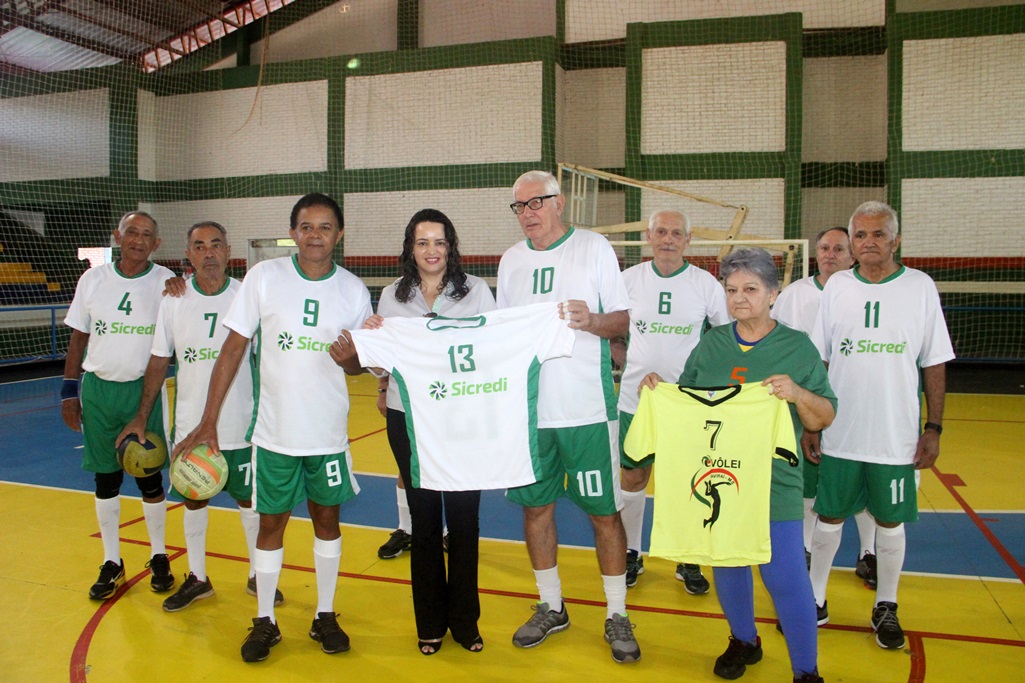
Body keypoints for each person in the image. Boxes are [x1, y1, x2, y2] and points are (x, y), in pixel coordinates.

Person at [173, 193, 372, 663]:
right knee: (270, 524)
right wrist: (208, 420)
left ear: (339, 235)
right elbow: (233, 349)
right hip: (275, 434)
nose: (315, 235)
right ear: (294, 233)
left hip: (326, 434)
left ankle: (325, 614)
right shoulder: (265, 278)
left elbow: (364, 364)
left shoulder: (354, 291)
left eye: (325, 227)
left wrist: (354, 362)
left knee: (328, 522)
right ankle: (265, 620)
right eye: (306, 227)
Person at [640, 247, 835, 683]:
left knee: (785, 577)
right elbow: (689, 402)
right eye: (731, 290)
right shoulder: (713, 344)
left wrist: (798, 394)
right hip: (721, 479)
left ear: (773, 293)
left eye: (750, 289)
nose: (739, 298)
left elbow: (824, 416)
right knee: (727, 564)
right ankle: (744, 639)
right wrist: (660, 391)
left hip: (775, 482)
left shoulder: (796, 347)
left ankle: (807, 671)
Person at [496, 170, 640, 663]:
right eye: (519, 207)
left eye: (535, 203)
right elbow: (502, 337)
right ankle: (551, 604)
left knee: (605, 513)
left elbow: (622, 321)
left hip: (586, 410)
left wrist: (592, 321)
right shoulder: (511, 262)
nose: (527, 213)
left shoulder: (594, 247)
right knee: (536, 509)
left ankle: (617, 612)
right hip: (532, 413)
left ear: (558, 202)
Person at [808, 201, 954, 650]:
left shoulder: (919, 287)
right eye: (861, 235)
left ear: (896, 240)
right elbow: (821, 359)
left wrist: (933, 427)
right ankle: (814, 599)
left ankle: (886, 605)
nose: (869, 242)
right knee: (828, 514)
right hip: (841, 429)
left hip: (895, 434)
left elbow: (934, 360)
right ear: (852, 243)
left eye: (878, 234)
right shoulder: (836, 288)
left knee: (890, 521)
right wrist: (811, 421)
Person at [115, 221, 283, 612]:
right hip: (191, 424)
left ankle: (259, 575)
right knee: (193, 499)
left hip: (242, 425)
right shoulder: (173, 299)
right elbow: (159, 359)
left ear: (228, 252)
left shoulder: (248, 296)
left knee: (249, 501)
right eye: (199, 246)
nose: (208, 253)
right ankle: (198, 577)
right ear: (188, 255)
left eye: (216, 245)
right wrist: (143, 415)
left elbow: (270, 359)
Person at [362, 208, 496, 654]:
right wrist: (372, 338)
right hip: (409, 418)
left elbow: (492, 350)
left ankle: (465, 622)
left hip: (462, 421)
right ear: (410, 249)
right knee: (423, 523)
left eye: (439, 242)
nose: (431, 251)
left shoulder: (476, 291)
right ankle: (430, 623)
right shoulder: (391, 297)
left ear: (451, 247)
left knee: (463, 521)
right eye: (422, 243)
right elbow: (383, 365)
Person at [61, 211, 176, 600]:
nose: (138, 240)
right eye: (132, 232)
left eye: (147, 234)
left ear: (156, 244)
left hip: (143, 393)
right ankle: (112, 560)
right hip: (98, 392)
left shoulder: (167, 284)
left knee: (150, 479)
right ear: (118, 236)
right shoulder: (92, 280)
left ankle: (159, 555)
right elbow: (78, 340)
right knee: (106, 480)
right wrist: (68, 392)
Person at [616, 209, 729, 592]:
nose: (668, 239)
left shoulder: (706, 284)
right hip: (636, 401)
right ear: (649, 237)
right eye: (661, 231)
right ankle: (632, 552)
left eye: (676, 233)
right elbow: (610, 332)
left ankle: (688, 556)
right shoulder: (628, 281)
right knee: (633, 477)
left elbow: (726, 339)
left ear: (688, 239)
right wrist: (625, 361)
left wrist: (703, 384)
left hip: (690, 405)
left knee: (688, 481)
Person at [772, 226, 878, 585]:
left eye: (838, 248)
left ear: (852, 254)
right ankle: (803, 547)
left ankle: (869, 552)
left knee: (862, 480)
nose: (830, 254)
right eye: (824, 247)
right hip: (807, 402)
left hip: (856, 404)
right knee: (807, 481)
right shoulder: (795, 294)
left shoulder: (860, 293)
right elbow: (778, 342)